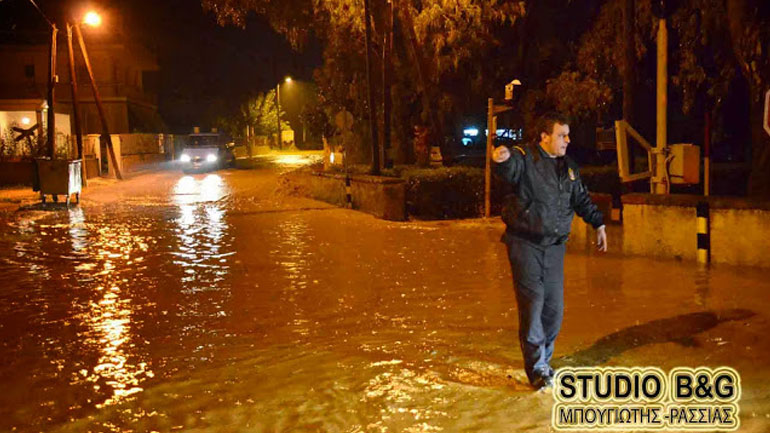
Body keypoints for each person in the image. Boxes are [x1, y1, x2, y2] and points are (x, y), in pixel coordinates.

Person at [493, 113, 607, 390]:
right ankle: (537, 370)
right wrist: (502, 158)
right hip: (525, 244)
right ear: (544, 137)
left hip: (555, 247)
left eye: (568, 135)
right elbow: (509, 167)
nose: (567, 140)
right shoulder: (525, 157)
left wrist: (598, 223)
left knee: (554, 310)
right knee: (533, 305)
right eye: (561, 135)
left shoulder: (569, 167)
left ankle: (544, 360)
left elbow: (580, 198)